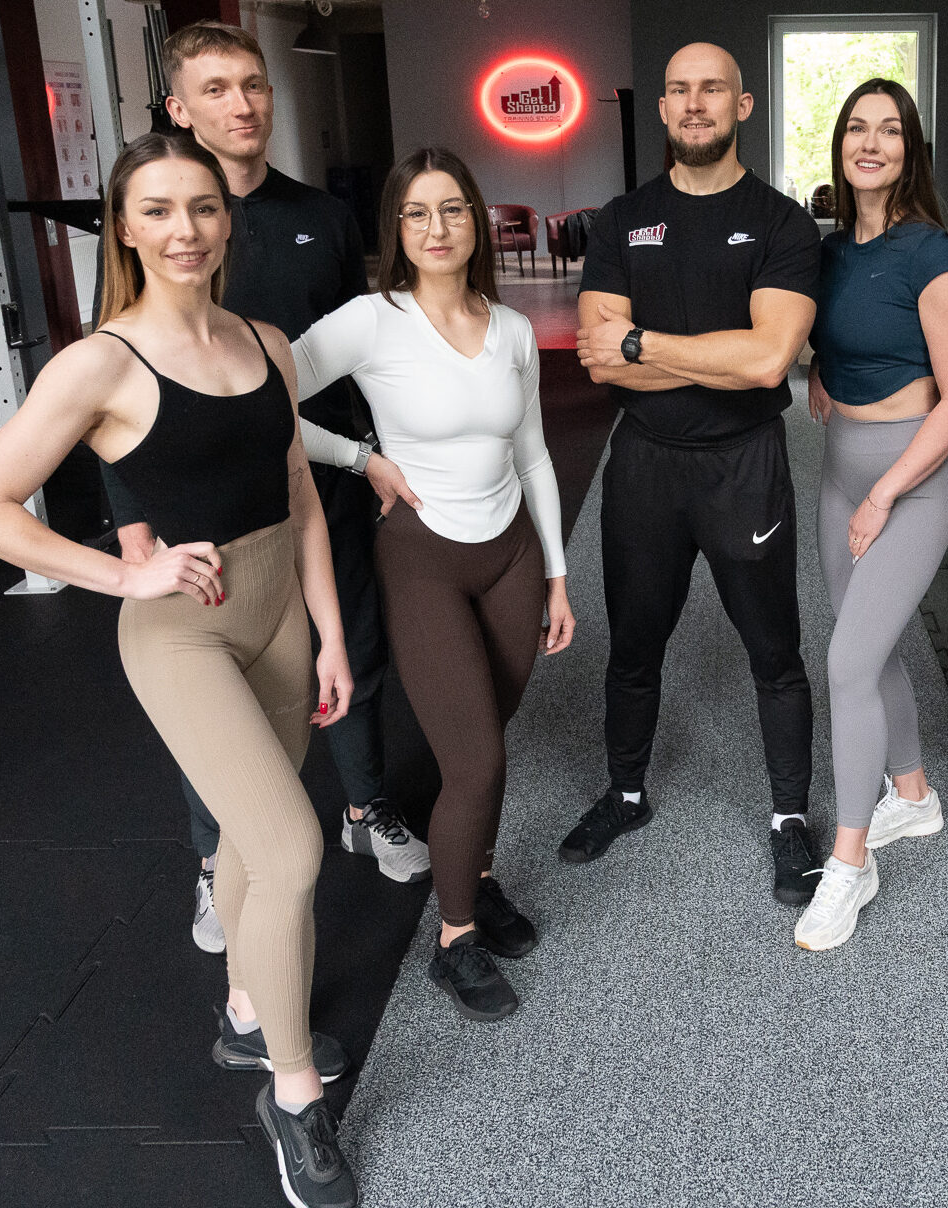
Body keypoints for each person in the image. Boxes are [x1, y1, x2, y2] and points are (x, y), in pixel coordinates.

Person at [0, 133, 361, 1208]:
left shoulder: (266, 342)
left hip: (279, 615)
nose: (186, 230)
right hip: (183, 633)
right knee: (293, 847)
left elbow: (301, 499)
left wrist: (330, 633)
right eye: (159, 210)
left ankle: (246, 1012)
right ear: (124, 228)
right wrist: (121, 575)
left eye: (204, 207)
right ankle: (293, 1096)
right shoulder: (100, 363)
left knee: (251, 838)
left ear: (229, 220)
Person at [103, 22, 428, 958]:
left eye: (254, 85)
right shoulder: (160, 223)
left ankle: (365, 809)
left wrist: (372, 454)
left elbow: (351, 353)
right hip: (201, 503)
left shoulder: (323, 215)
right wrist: (133, 523)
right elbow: (114, 375)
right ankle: (219, 859)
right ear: (179, 108)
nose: (242, 105)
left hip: (321, 478)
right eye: (216, 89)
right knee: (217, 694)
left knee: (352, 647)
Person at [294, 148, 574, 1021]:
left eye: (452, 208)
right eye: (416, 212)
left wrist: (558, 574)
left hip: (511, 555)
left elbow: (533, 454)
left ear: (476, 220)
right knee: (476, 757)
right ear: (396, 228)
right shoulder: (370, 321)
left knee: (488, 742)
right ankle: (455, 942)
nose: (437, 227)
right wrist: (360, 457)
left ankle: (475, 877)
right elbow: (260, 399)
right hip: (424, 558)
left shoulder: (513, 328)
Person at [572, 42, 823, 904]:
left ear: (742, 105)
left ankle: (789, 817)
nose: (693, 102)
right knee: (633, 645)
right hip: (644, 465)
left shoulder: (782, 223)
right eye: (678, 89)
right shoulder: (622, 219)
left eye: (711, 88)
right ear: (663, 107)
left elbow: (768, 362)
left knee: (774, 651)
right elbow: (599, 359)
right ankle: (625, 793)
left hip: (743, 465)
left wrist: (644, 343)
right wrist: (715, 358)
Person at [793, 80, 948, 950]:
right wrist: (823, 374)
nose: (871, 143)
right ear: (840, 145)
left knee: (846, 662)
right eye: (858, 129)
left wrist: (883, 492)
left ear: (911, 150)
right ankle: (914, 794)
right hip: (839, 470)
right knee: (868, 648)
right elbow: (830, 335)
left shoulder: (929, 253)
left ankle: (850, 862)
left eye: (890, 130)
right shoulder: (831, 251)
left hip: (914, 480)